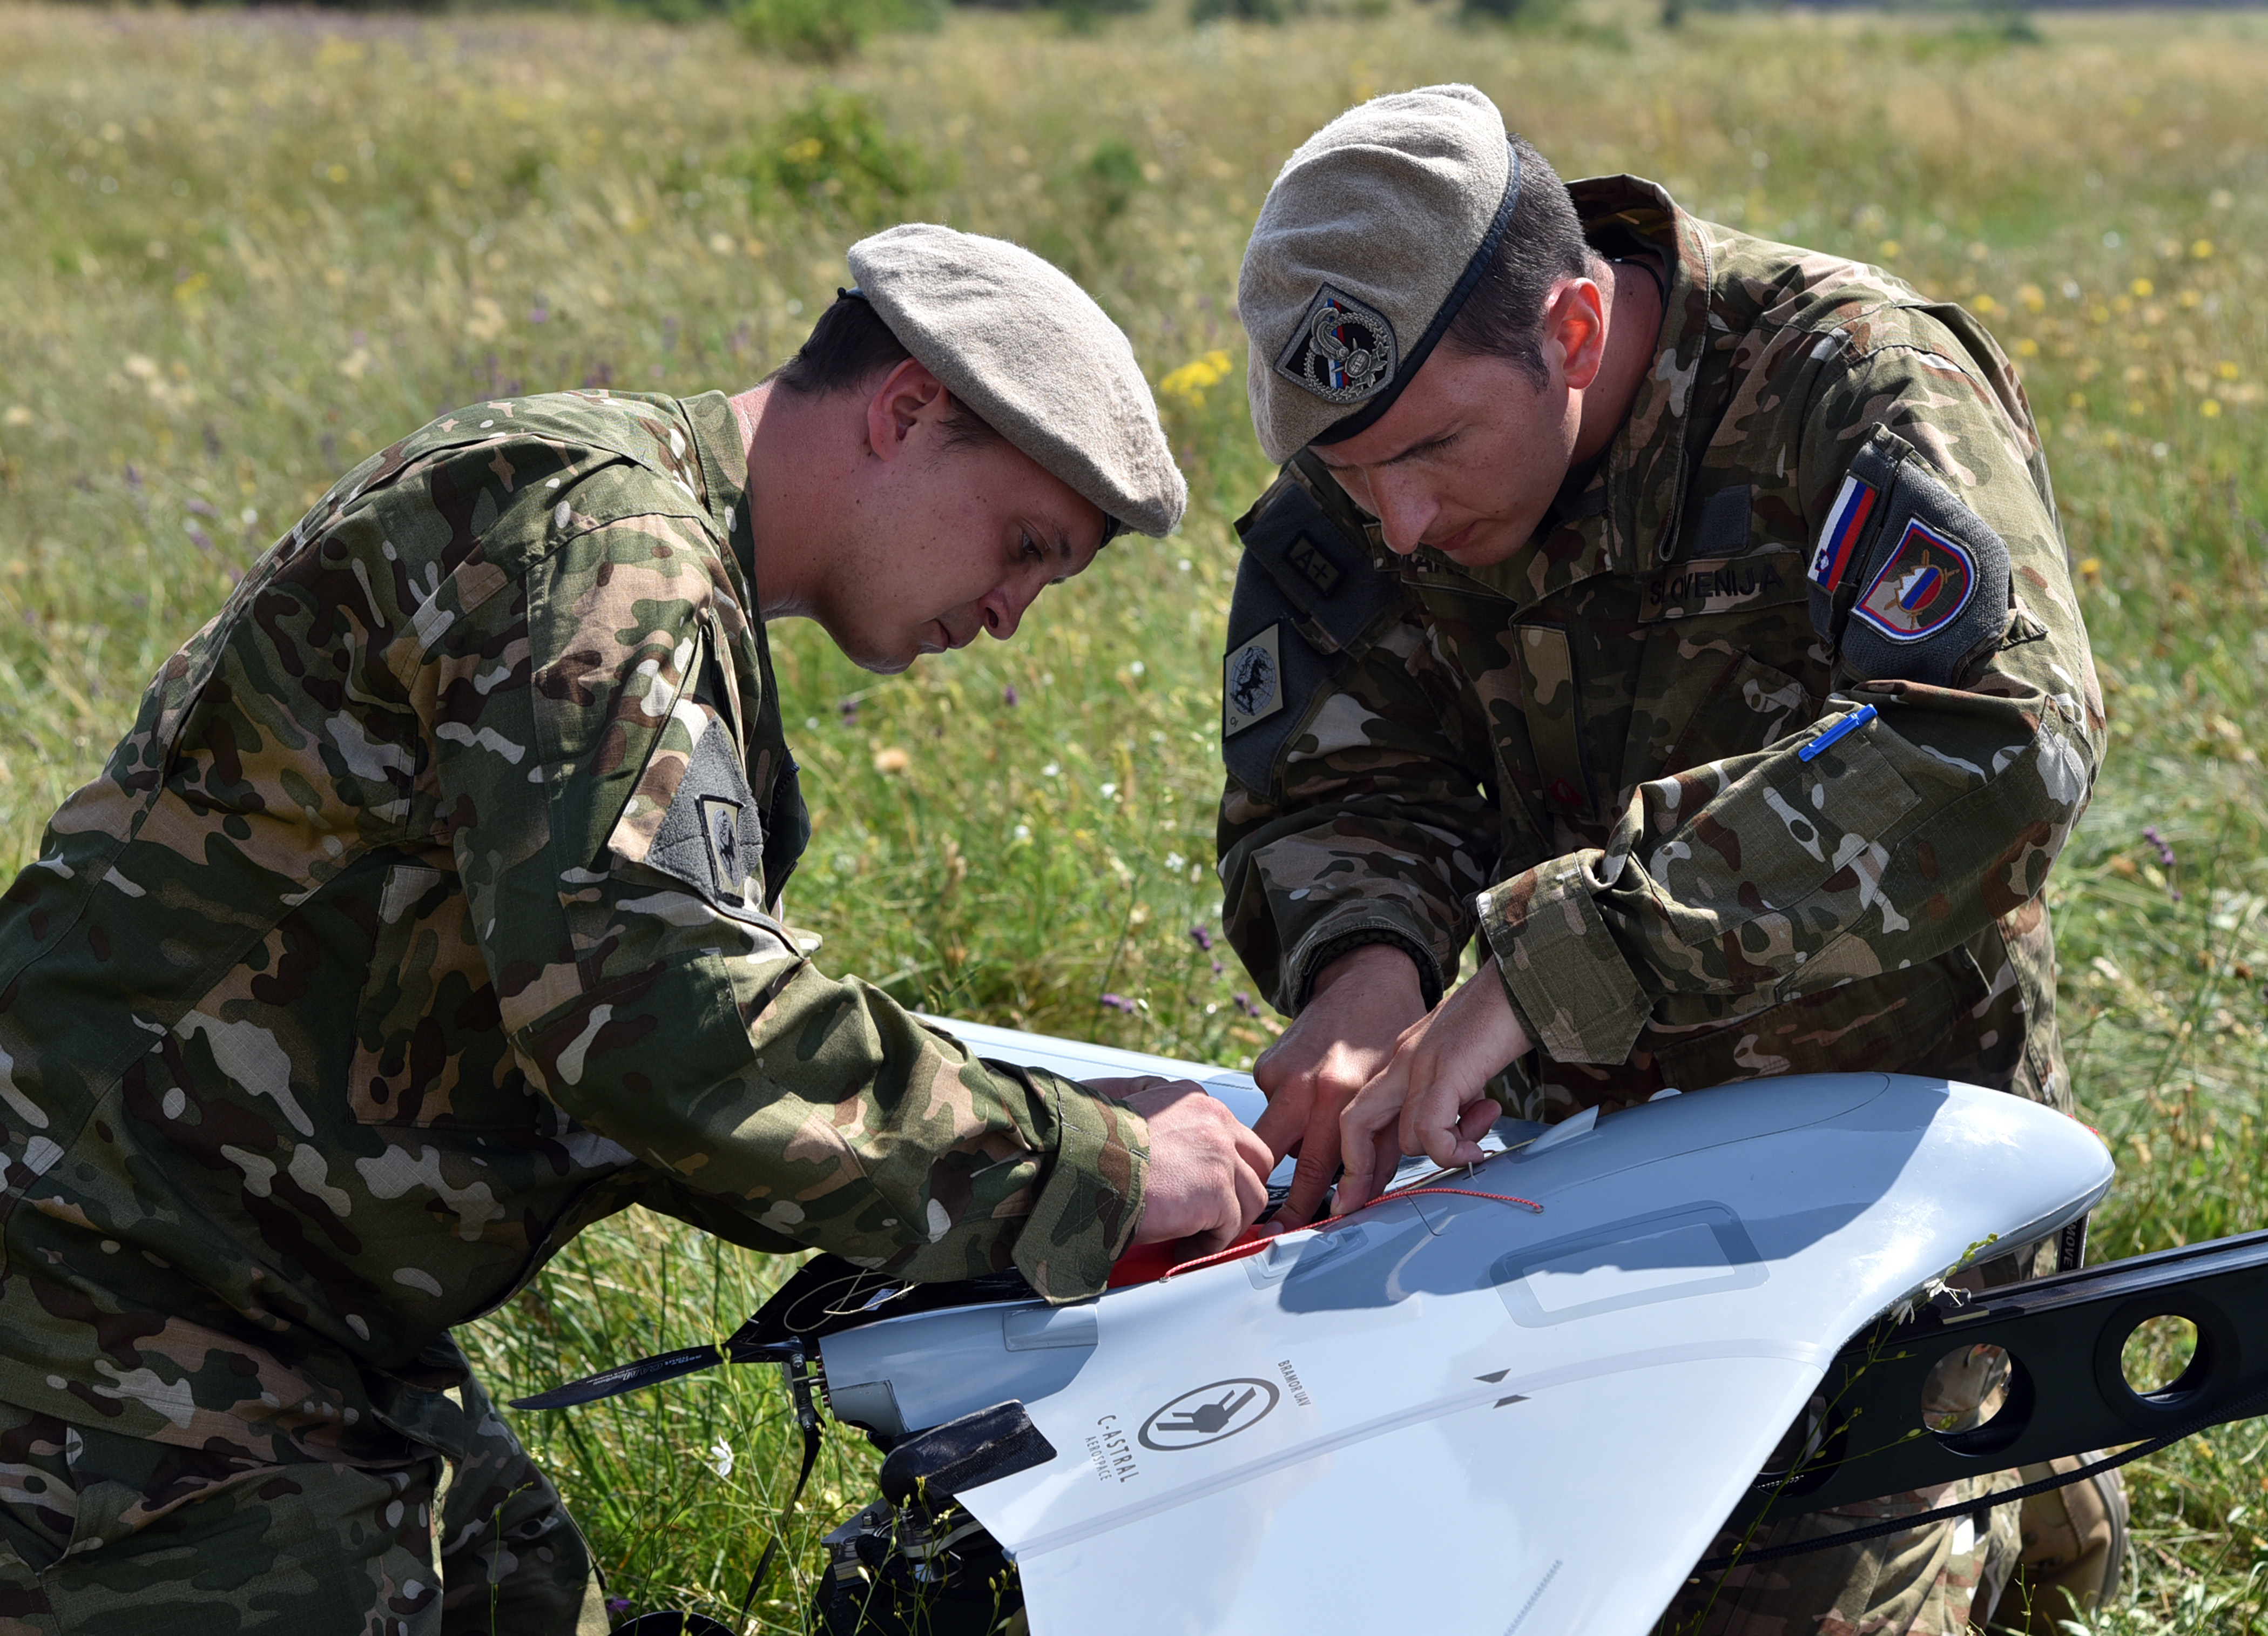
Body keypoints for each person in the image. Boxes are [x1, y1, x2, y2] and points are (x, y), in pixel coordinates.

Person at [0, 223, 1272, 1632]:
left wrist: (1027, 1137)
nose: (1012, 616)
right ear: (908, 412)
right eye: (1025, 545)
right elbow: (660, 1021)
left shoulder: (640, 545)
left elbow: (651, 1041)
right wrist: (1088, 1167)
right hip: (101, 1295)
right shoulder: (614, 552)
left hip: (266, 1291)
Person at [1216, 85, 2117, 1633]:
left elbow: (1994, 742)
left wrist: (1567, 959)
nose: (1405, 523)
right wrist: (1365, 973)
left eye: (1434, 455)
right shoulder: (1366, 447)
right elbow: (1340, 779)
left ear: (1573, 329)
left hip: (1874, 1167)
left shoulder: (1844, 382)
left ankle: (2023, 1471)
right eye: (1360, 482)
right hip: (1535, 1189)